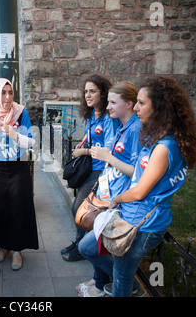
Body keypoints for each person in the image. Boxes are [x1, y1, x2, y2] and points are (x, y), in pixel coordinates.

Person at [78, 76, 196, 297]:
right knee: (88, 248)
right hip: (130, 214)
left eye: (142, 103)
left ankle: (129, 289)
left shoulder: (165, 146)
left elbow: (141, 190)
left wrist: (115, 200)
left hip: (143, 223)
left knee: (122, 276)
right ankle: (128, 287)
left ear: (160, 107)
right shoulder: (155, 137)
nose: (136, 106)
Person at [75, 81, 143, 297]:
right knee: (90, 243)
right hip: (107, 195)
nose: (108, 106)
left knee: (87, 247)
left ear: (129, 104)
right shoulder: (122, 125)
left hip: (119, 203)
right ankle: (101, 282)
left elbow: (138, 172)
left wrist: (108, 157)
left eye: (113, 102)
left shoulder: (136, 129)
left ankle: (121, 284)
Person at [0, 78, 38, 270]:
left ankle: (17, 249)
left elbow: (31, 142)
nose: (7, 97)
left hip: (18, 167)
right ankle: (3, 247)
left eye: (10, 92)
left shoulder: (21, 113)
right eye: (3, 92)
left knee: (18, 208)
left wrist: (15, 135)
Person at [61, 75, 121, 261]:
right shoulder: (92, 115)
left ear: (102, 93)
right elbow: (91, 137)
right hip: (89, 169)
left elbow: (109, 149)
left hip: (101, 171)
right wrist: (83, 145)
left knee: (79, 208)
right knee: (80, 208)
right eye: (86, 91)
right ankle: (80, 243)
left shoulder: (108, 118)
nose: (88, 95)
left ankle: (82, 247)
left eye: (92, 91)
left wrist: (84, 152)